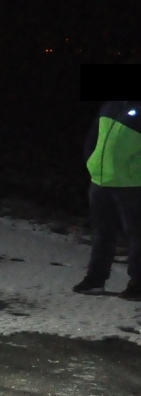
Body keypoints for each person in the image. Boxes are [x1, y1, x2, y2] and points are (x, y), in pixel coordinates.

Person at [72, 100, 141, 299]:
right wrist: (91, 163)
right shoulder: (110, 105)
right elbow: (93, 137)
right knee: (102, 233)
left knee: (136, 235)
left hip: (132, 184)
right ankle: (95, 280)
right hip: (101, 181)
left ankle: (138, 284)